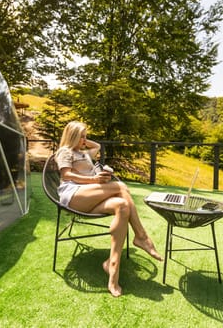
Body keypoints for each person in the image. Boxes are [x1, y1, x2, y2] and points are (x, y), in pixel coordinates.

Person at [55, 121, 163, 297]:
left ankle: (112, 266)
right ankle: (141, 236)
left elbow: (97, 145)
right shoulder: (64, 152)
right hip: (74, 196)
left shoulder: (84, 153)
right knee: (120, 186)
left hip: (90, 196)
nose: (85, 139)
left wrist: (83, 141)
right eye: (82, 136)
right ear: (72, 136)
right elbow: (66, 174)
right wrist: (95, 180)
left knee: (123, 205)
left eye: (85, 136)